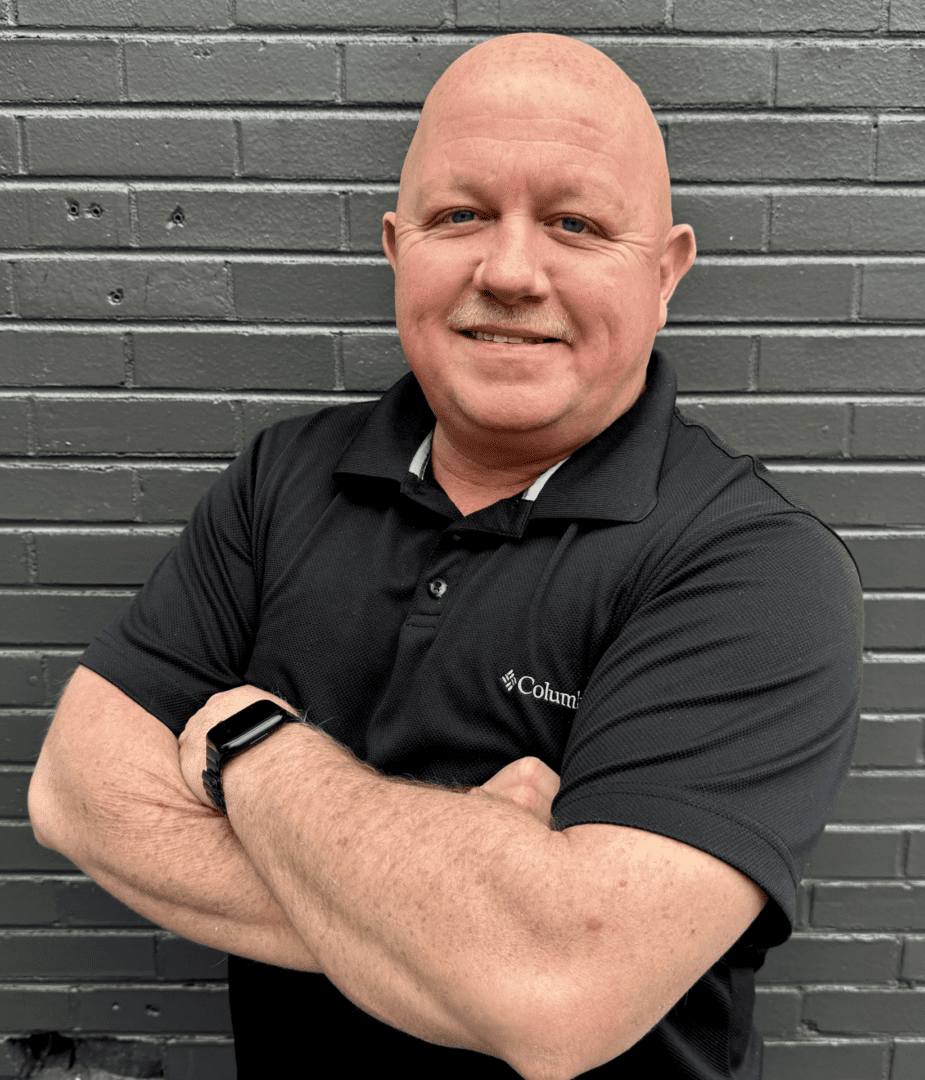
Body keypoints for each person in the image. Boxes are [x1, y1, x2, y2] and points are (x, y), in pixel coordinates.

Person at [27, 32, 863, 1080]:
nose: (509, 271)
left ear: (665, 272)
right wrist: (457, 927)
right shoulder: (285, 477)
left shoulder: (756, 570)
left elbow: (556, 996)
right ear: (394, 246)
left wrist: (254, 746)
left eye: (575, 223)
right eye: (459, 214)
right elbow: (73, 791)